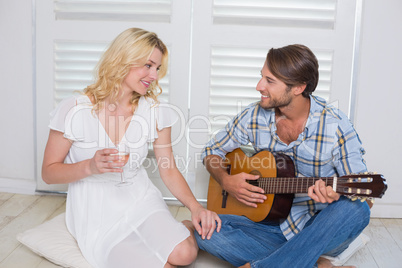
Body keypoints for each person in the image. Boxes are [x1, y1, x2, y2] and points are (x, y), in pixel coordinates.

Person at [42, 28, 221, 268]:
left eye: (157, 68)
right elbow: (48, 173)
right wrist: (90, 166)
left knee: (184, 255)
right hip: (97, 211)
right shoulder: (73, 110)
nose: (154, 75)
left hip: (140, 199)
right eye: (148, 65)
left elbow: (167, 169)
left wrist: (196, 208)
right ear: (122, 60)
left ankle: (183, 228)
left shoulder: (155, 111)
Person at [195, 44, 371, 268]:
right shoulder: (253, 115)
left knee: (357, 208)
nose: (259, 86)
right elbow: (212, 151)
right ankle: (311, 263)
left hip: (320, 231)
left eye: (270, 81)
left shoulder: (335, 126)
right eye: (262, 77)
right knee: (206, 231)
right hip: (271, 225)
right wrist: (225, 180)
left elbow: (365, 194)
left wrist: (335, 196)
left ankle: (274, 263)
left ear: (298, 87)